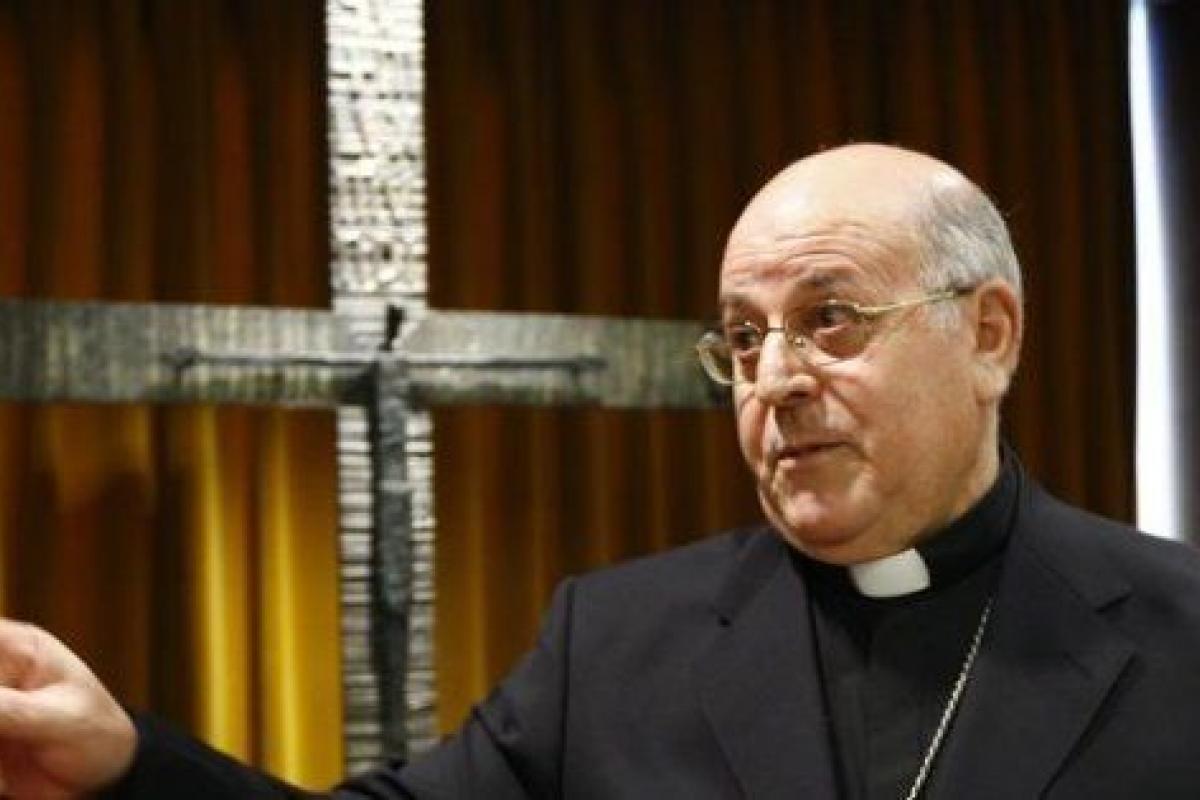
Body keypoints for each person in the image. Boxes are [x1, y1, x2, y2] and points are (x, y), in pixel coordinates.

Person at [2, 143, 1199, 799]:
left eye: (829, 318)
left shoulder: (1183, 633)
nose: (775, 378)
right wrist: (125, 761)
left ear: (988, 335)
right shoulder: (617, 643)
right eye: (742, 337)